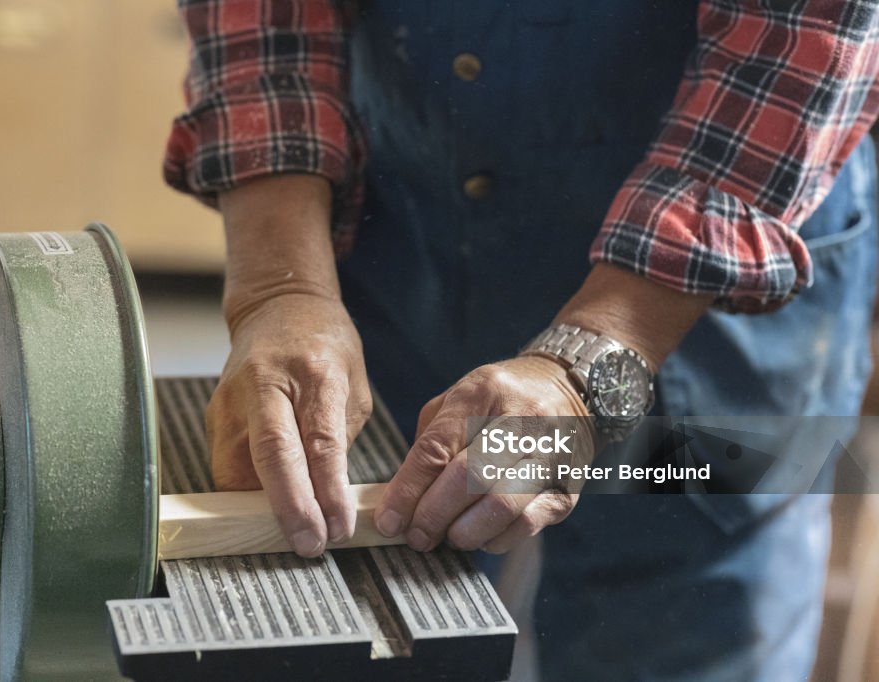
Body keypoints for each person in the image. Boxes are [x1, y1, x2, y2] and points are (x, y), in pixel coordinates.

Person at [164, 1, 879, 678]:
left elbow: (794, 47)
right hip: (408, 245)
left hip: (719, 292)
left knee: (681, 614)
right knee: (368, 584)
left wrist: (583, 370)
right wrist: (281, 286)